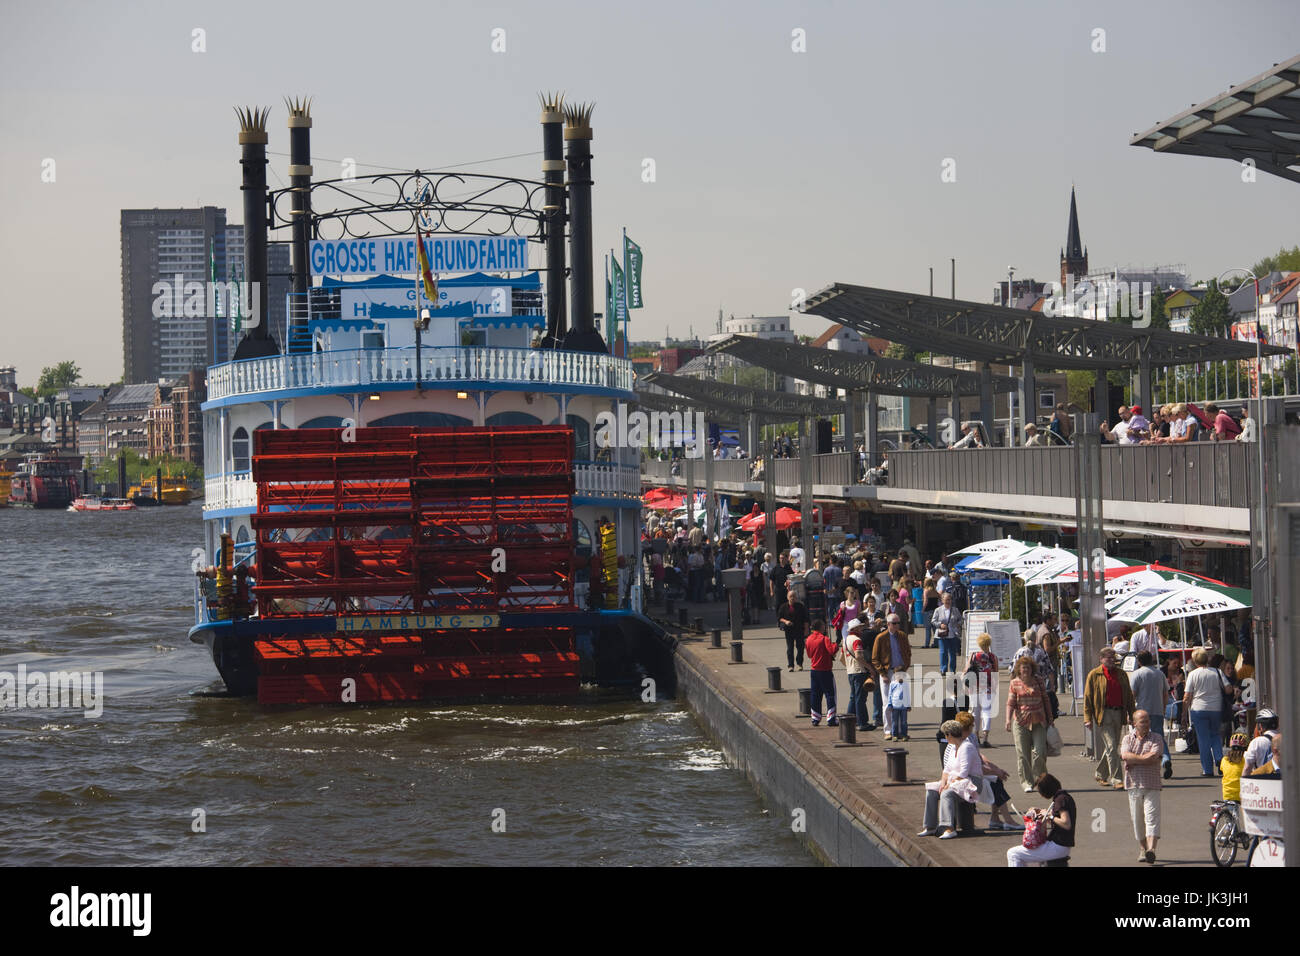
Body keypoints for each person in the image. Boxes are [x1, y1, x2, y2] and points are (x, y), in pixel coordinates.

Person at [953, 711, 1021, 829]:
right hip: (967, 777)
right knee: (995, 782)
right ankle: (1007, 820)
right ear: (968, 727)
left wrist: (997, 769)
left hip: (973, 773)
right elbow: (976, 768)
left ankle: (995, 818)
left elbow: (980, 758)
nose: (974, 727)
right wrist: (996, 772)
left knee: (996, 780)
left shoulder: (972, 737)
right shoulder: (964, 742)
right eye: (972, 725)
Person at [917, 719, 981, 840]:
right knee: (931, 791)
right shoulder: (952, 747)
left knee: (947, 794)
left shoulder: (967, 747)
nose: (945, 737)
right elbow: (946, 769)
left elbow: (964, 772)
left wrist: (949, 785)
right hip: (957, 780)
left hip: (972, 781)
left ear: (949, 735)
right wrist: (943, 783)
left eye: (945, 734)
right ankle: (930, 827)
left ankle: (949, 828)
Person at [1084, 646, 1136, 787]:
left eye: (1114, 657)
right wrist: (1087, 718)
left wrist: (1133, 714)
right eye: (1109, 657)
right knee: (1112, 747)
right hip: (1103, 714)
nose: (1112, 660)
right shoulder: (1094, 675)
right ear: (1101, 659)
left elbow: (1129, 696)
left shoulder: (1121, 674)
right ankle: (1117, 779)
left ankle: (1100, 774)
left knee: (1110, 748)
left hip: (1119, 713)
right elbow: (1088, 698)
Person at [1121, 709, 1164, 864]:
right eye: (1142, 721)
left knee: (1152, 818)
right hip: (1133, 785)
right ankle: (1142, 849)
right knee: (1138, 820)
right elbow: (1125, 755)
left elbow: (1155, 755)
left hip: (1152, 784)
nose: (1146, 723)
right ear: (1134, 723)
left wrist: (1134, 760)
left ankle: (1151, 850)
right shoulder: (1127, 738)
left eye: (1147, 720)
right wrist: (1145, 759)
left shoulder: (1156, 738)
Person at [1005, 655, 1053, 792]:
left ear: (1032, 669)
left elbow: (1046, 700)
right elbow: (1010, 703)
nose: (1026, 670)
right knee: (1023, 754)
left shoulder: (1039, 681)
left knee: (1040, 752)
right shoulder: (1014, 683)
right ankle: (1027, 782)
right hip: (1021, 722)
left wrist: (1050, 719)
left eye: (1028, 668)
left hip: (1039, 721)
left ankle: (1041, 780)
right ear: (1019, 670)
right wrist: (1008, 720)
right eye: (1023, 668)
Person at [1007, 773, 1075, 866]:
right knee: (1016, 853)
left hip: (1058, 846)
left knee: (1013, 854)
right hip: (1061, 845)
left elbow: (1066, 823)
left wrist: (1050, 816)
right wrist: (1042, 814)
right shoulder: (1064, 797)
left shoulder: (1060, 800)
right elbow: (1058, 821)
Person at [1182, 649, 1226, 777]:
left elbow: (1187, 696)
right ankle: (1219, 759)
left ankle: (1207, 769)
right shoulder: (1217, 672)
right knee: (1215, 735)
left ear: (1195, 661)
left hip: (1199, 709)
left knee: (1203, 739)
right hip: (1216, 708)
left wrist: (1184, 713)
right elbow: (1228, 688)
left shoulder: (1193, 674)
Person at [1129, 651, 1173, 779]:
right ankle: (1165, 758)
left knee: (1140, 737)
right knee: (1159, 737)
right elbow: (1166, 694)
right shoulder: (1160, 674)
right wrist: (1164, 708)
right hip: (1157, 709)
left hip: (1142, 712)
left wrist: (1130, 711)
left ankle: (1142, 761)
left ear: (1139, 661)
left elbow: (1133, 694)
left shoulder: (1137, 674)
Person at [873, 613, 912, 739]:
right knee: (887, 703)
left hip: (900, 671)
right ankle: (888, 730)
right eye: (894, 623)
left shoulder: (902, 636)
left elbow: (908, 652)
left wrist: (905, 668)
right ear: (888, 624)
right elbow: (875, 659)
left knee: (901, 702)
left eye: (898, 623)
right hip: (887, 672)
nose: (897, 625)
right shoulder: (880, 637)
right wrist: (883, 674)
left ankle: (900, 730)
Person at [843, 612, 878, 732]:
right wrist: (869, 668)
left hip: (850, 671)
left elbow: (841, 657)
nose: (862, 629)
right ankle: (862, 722)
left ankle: (849, 719)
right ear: (856, 628)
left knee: (854, 697)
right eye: (860, 627)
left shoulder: (846, 639)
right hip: (859, 671)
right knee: (860, 698)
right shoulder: (857, 640)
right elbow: (859, 656)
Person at [804, 618, 839, 727]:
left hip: (814, 670)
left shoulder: (808, 639)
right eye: (823, 626)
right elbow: (832, 651)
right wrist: (836, 645)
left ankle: (815, 718)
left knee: (815, 694)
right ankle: (831, 718)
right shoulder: (824, 639)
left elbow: (809, 655)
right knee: (830, 694)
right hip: (825, 670)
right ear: (821, 627)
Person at [967, 633, 999, 747]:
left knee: (975, 712)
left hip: (974, 686)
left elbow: (966, 670)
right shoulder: (992, 657)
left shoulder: (973, 656)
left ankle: (975, 736)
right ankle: (985, 737)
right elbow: (995, 673)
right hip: (988, 687)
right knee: (987, 712)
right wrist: (994, 689)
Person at [777, 586, 808, 673]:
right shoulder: (783, 607)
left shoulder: (800, 606)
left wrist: (806, 630)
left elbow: (805, 619)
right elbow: (779, 618)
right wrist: (785, 621)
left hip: (799, 629)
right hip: (789, 630)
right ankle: (790, 665)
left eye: (794, 596)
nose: (792, 598)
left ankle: (799, 664)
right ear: (787, 597)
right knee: (790, 648)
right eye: (791, 596)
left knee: (800, 647)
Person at [931, 591, 963, 676]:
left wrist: (958, 624)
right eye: (946, 600)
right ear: (942, 600)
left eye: (949, 599)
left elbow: (960, 619)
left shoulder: (955, 610)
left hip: (952, 634)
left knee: (953, 653)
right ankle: (943, 669)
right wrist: (940, 625)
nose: (948, 601)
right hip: (942, 634)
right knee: (943, 652)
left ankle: (952, 670)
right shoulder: (938, 610)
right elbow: (933, 621)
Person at [1244, 708, 1279, 775]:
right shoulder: (1285, 740)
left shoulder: (1256, 742)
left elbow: (1247, 768)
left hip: (1261, 781)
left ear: (1260, 726)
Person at [1221, 732, 1248, 802]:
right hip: (1242, 795)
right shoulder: (1246, 759)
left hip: (1227, 795)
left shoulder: (1224, 760)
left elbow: (1222, 770)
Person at [888, 669, 911, 740]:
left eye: (901, 675)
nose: (899, 676)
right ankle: (894, 735)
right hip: (895, 706)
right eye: (897, 674)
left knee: (904, 722)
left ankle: (904, 735)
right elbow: (890, 694)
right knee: (894, 722)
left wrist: (908, 705)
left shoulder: (906, 684)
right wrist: (890, 704)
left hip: (904, 706)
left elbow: (908, 694)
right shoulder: (893, 684)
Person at [921, 576, 941, 649]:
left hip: (928, 610)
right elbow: (940, 598)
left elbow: (926, 601)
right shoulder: (935, 591)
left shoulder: (926, 591)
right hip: (935, 610)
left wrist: (923, 609)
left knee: (927, 628)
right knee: (935, 628)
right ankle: (936, 643)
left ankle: (927, 644)